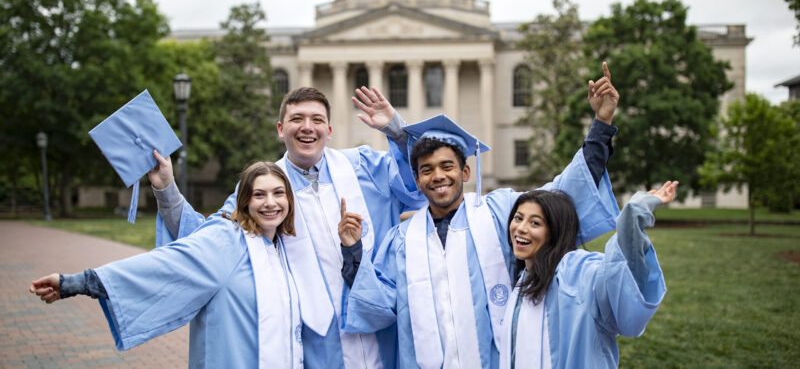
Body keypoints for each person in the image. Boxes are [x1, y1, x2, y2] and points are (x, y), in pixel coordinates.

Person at [339, 64, 622, 368]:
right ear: (417, 180)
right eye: (426, 170)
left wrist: (601, 124)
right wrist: (353, 250)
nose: (438, 176)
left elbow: (563, 196)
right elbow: (380, 303)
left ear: (465, 171)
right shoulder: (402, 240)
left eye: (447, 167)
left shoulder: (501, 214)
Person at [150, 86, 428, 369]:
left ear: (329, 130)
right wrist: (165, 189)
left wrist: (397, 130)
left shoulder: (366, 166)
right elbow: (209, 239)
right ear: (281, 129)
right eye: (297, 119)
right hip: (316, 343)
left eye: (317, 120)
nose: (307, 127)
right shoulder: (262, 190)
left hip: (381, 328)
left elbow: (421, 180)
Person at [29, 162, 304, 368]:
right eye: (259, 195)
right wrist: (76, 283)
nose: (270, 203)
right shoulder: (228, 239)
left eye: (279, 193)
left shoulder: (284, 247)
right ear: (244, 202)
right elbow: (162, 266)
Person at [500, 181, 675, 368]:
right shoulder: (523, 278)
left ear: (555, 232)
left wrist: (632, 218)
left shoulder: (575, 273)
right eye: (518, 218)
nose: (521, 228)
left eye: (535, 223)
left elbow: (615, 274)